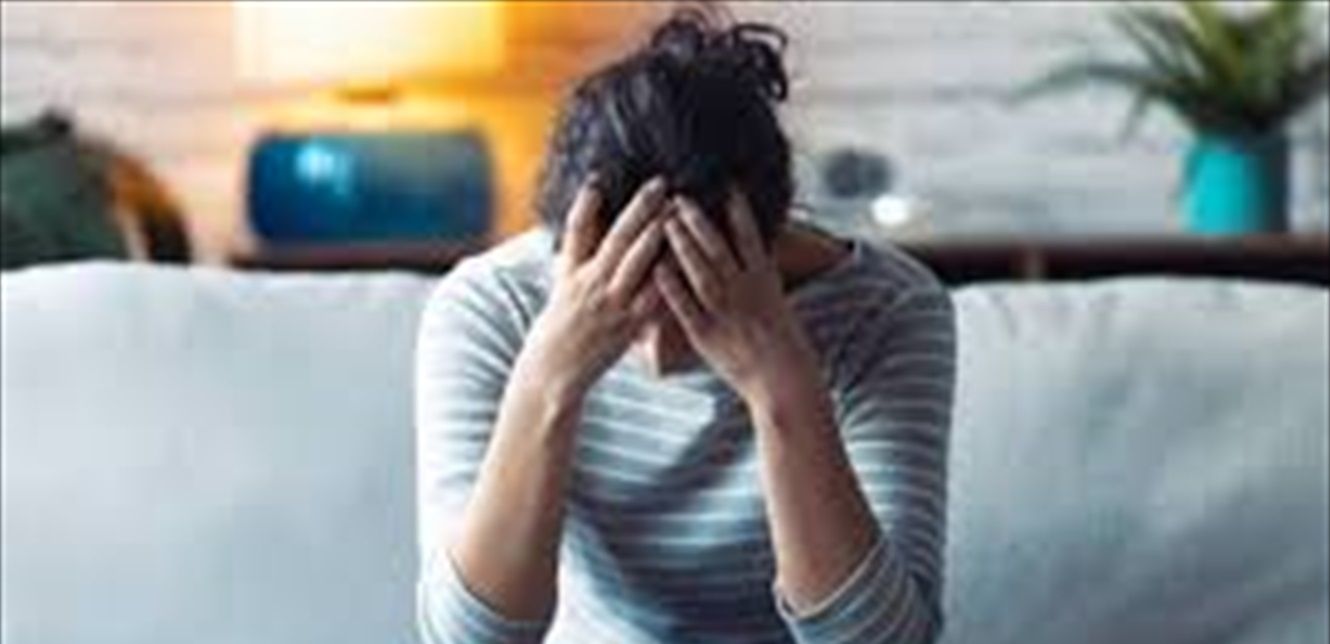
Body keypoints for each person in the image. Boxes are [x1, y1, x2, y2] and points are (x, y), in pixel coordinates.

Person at [415, 10, 955, 643]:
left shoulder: (887, 310)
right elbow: (467, 638)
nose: (660, 351)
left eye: (695, 297)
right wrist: (549, 381)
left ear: (769, 241)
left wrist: (782, 388)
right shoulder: (492, 305)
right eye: (627, 300)